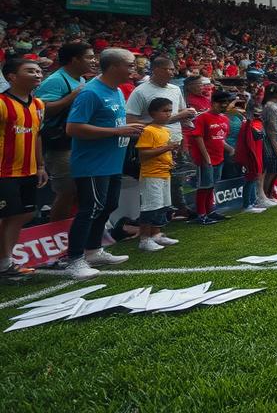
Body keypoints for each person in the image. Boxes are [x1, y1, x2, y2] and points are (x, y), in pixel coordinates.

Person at [62, 48, 145, 279]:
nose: (134, 69)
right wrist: (117, 131)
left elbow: (116, 124)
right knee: (90, 209)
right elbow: (73, 128)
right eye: (129, 65)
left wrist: (128, 132)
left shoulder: (116, 91)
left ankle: (93, 251)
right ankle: (75, 260)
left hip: (112, 162)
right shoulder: (91, 93)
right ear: (112, 67)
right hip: (92, 164)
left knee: (107, 206)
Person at [126, 56, 198, 221]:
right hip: (152, 143)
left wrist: (188, 118)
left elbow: (181, 113)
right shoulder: (141, 91)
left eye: (173, 69)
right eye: (169, 69)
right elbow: (130, 121)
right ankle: (148, 222)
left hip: (175, 140)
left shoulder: (175, 89)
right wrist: (175, 117)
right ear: (156, 70)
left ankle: (172, 213)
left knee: (174, 180)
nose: (172, 72)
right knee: (153, 185)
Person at [34, 41, 94, 221]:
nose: (93, 61)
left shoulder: (81, 79)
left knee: (78, 190)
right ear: (75, 59)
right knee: (67, 191)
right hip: (60, 145)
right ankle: (56, 233)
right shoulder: (56, 80)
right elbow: (41, 110)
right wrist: (72, 96)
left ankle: (72, 229)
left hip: (77, 142)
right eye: (89, 57)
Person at [0, 58, 48, 277]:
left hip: (28, 171)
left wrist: (40, 165)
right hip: (4, 172)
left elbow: (37, 136)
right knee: (6, 216)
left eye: (39, 71)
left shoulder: (38, 104)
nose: (38, 74)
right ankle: (5, 262)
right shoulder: (1, 103)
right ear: (11, 76)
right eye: (30, 71)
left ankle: (5, 262)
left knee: (23, 214)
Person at [134, 98, 181, 248]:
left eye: (169, 111)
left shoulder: (165, 131)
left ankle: (156, 234)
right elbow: (143, 155)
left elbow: (161, 152)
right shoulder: (148, 130)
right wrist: (167, 148)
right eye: (164, 111)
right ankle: (144, 239)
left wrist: (170, 160)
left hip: (164, 172)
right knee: (150, 207)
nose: (168, 114)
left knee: (161, 206)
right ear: (153, 113)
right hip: (151, 174)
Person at [190, 90, 237, 224]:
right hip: (206, 159)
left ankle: (210, 211)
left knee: (211, 186)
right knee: (204, 186)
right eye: (222, 103)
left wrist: (230, 149)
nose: (225, 106)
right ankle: (201, 214)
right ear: (214, 103)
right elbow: (198, 138)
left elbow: (220, 138)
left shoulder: (224, 119)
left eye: (227, 103)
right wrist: (206, 158)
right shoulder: (203, 118)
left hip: (219, 157)